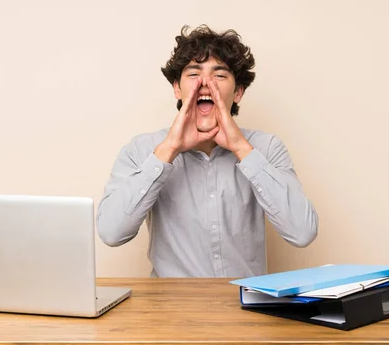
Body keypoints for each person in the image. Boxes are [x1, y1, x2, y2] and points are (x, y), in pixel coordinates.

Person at [96, 25, 318, 277]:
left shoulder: (267, 148)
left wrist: (241, 148)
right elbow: (111, 233)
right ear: (177, 88)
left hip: (245, 307)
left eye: (219, 75)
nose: (205, 84)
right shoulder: (142, 150)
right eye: (193, 73)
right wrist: (168, 150)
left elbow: (302, 233)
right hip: (170, 309)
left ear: (238, 92)